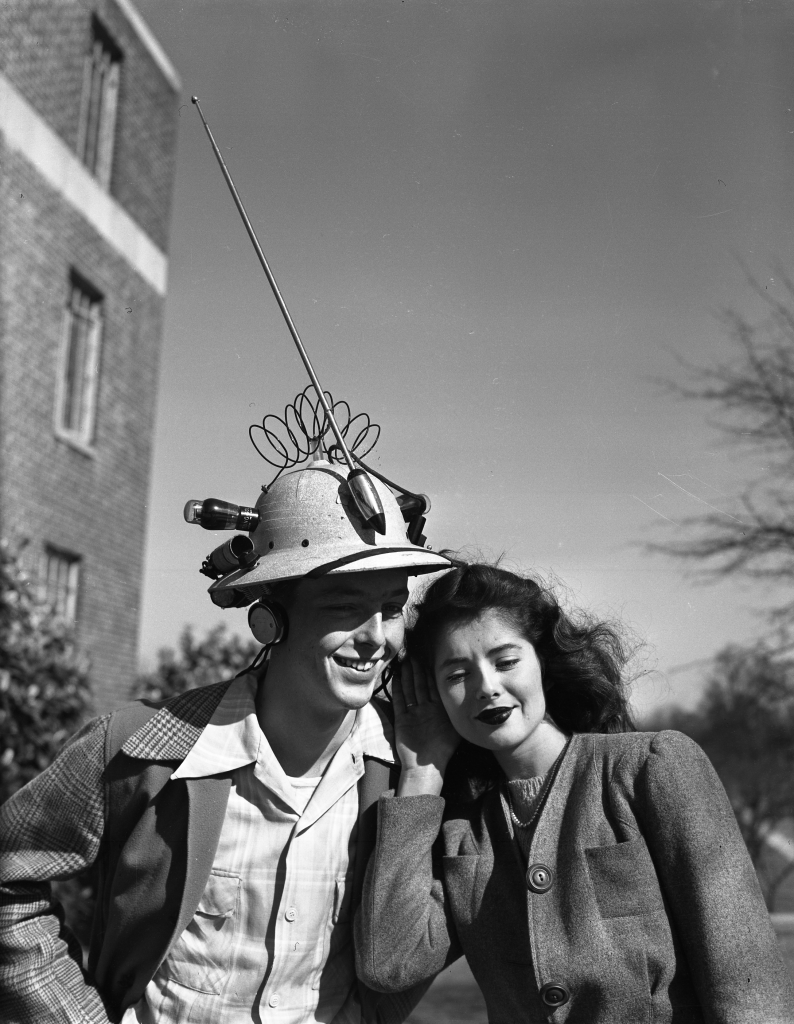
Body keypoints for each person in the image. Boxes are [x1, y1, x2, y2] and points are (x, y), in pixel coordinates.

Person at [0, 454, 451, 1024]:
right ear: (270, 617)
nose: (375, 639)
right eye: (345, 609)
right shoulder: (143, 749)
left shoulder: (409, 771)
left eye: (391, 610)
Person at [355, 562, 794, 1023]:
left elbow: (748, 986)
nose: (487, 688)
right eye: (457, 675)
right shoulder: (463, 836)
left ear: (543, 663)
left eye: (506, 662)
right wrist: (422, 772)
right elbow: (389, 964)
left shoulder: (648, 769)